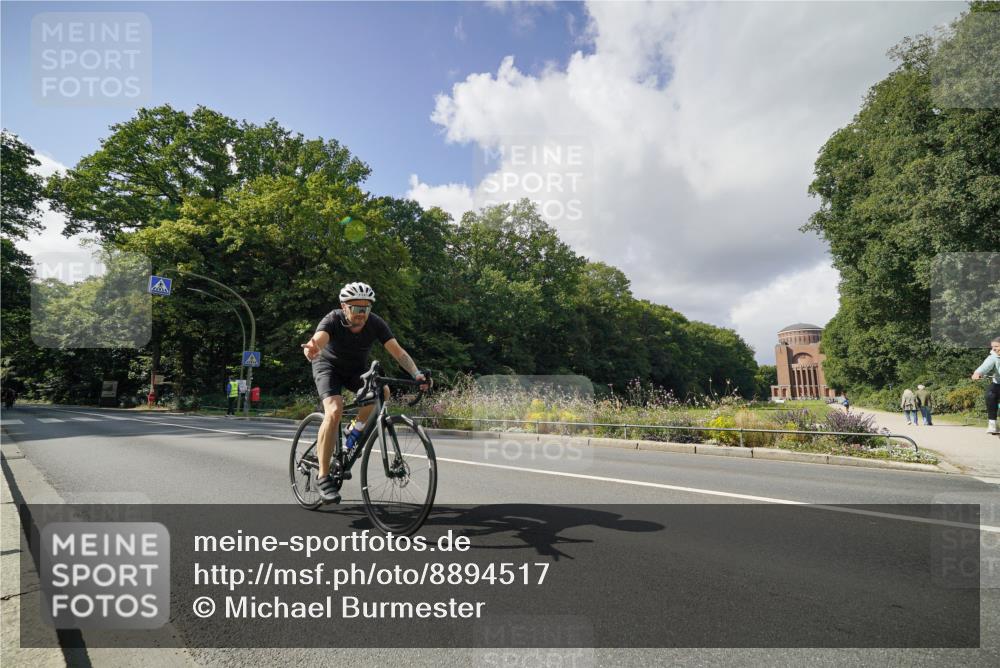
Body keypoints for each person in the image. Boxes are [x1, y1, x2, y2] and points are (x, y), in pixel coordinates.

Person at [300, 282, 429, 504]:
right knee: (334, 410)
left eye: (366, 309)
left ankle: (355, 430)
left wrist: (416, 373)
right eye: (357, 309)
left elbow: (398, 352)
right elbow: (318, 340)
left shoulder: (375, 323)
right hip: (327, 366)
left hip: (355, 369)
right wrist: (312, 348)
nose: (362, 314)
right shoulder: (332, 319)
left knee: (383, 392)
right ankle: (323, 476)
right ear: (344, 307)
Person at [971, 336, 1000, 435]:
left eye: (996, 346)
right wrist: (978, 373)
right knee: (990, 394)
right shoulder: (993, 357)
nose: (993, 349)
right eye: (992, 347)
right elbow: (985, 366)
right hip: (997, 384)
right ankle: (992, 424)